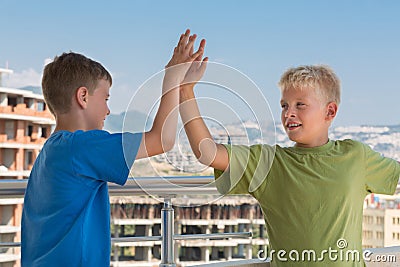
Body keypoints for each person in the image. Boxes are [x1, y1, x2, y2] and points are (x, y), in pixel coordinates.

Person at [179, 63, 400, 266]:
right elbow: (207, 153)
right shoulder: (268, 163)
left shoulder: (356, 156)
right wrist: (185, 91)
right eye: (284, 105)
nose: (288, 113)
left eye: (300, 105)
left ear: (330, 111)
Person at [21, 29, 206, 267]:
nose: (108, 110)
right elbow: (163, 139)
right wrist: (172, 79)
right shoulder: (81, 147)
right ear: (83, 97)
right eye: (106, 99)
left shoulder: (50, 151)